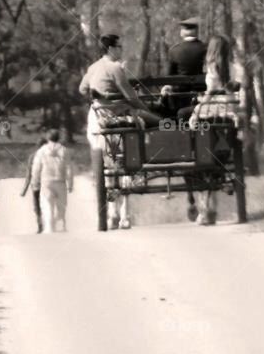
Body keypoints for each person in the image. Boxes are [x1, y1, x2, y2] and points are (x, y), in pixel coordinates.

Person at [79, 34, 162, 230]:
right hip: (119, 116)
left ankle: (112, 214)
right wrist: (149, 107)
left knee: (109, 170)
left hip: (98, 118)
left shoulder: (92, 68)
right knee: (160, 122)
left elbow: (83, 89)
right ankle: (124, 215)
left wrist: (98, 100)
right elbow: (131, 96)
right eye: (119, 47)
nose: (121, 50)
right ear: (111, 49)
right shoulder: (115, 68)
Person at [187, 35, 241, 226]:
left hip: (212, 109)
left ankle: (204, 208)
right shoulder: (231, 67)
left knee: (191, 122)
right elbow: (231, 89)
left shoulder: (212, 67)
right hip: (227, 110)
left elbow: (210, 93)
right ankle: (212, 209)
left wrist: (197, 110)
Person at [165, 18, 208, 221]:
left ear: (183, 32)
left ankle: (175, 144)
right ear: (196, 31)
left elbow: (169, 78)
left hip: (181, 105)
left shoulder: (174, 51)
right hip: (201, 103)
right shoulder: (206, 48)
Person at [30, 129, 74, 233]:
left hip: (46, 181)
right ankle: (60, 226)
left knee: (47, 205)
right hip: (60, 181)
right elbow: (69, 168)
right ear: (59, 138)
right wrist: (70, 183)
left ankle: (49, 227)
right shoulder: (64, 150)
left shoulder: (41, 151)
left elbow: (36, 168)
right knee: (61, 206)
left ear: (48, 138)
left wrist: (35, 182)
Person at [20, 137, 48, 233]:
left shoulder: (32, 156)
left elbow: (29, 174)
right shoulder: (49, 156)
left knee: (37, 205)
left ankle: (40, 225)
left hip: (36, 184)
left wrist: (24, 189)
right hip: (46, 183)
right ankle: (47, 224)